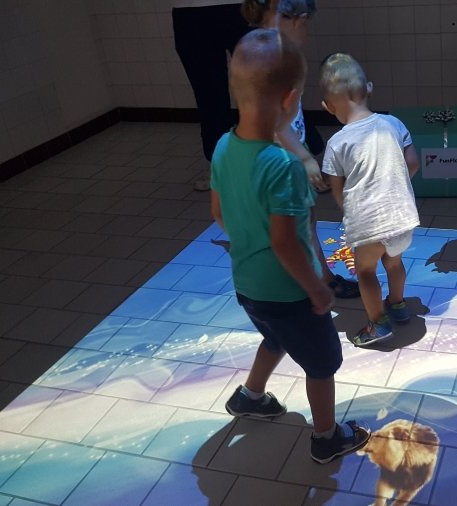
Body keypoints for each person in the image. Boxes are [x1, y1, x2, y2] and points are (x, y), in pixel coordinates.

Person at [211, 28, 369, 464]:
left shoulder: (223, 146)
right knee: (321, 364)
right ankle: (326, 437)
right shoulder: (283, 167)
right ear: (291, 100)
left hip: (248, 284)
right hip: (290, 291)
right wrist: (318, 287)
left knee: (274, 337)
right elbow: (285, 243)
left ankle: (250, 396)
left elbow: (218, 211)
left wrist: (248, 238)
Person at [240, 0, 360, 298]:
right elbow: (275, 120)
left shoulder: (260, 48)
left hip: (278, 151)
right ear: (297, 19)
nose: (307, 32)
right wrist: (304, 156)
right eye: (307, 24)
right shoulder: (275, 57)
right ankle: (312, 282)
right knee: (296, 223)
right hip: (280, 156)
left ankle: (317, 276)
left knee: (302, 219)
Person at [319, 53, 420, 347]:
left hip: (369, 223)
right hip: (402, 217)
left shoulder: (337, 142)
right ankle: (398, 305)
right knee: (394, 262)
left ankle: (378, 323)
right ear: (370, 88)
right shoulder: (393, 123)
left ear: (328, 106)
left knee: (365, 271)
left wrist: (349, 211)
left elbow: (336, 188)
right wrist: (394, 186)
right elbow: (413, 163)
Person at [172, 0, 325, 191]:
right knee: (210, 99)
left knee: (274, 85)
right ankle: (221, 168)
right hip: (189, 11)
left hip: (238, 6)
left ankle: (303, 156)